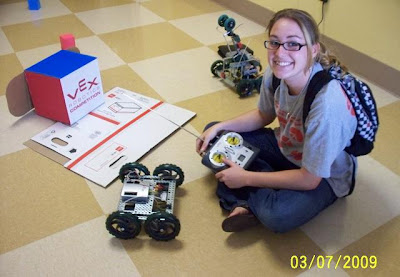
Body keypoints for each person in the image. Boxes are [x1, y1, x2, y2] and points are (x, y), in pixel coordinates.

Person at [196, 8, 357, 233]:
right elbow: (264, 115)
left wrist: (246, 178)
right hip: (286, 147)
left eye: (293, 44)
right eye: (274, 42)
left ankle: (243, 193)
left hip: (322, 175)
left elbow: (310, 179)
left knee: (277, 216)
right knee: (215, 133)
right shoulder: (276, 74)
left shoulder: (327, 105)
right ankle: (257, 182)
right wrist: (222, 126)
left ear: (313, 50)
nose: (280, 54)